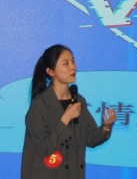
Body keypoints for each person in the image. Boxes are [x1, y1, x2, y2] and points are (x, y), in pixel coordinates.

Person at [21, 44, 116, 179]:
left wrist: (106, 127)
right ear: (51, 71)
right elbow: (44, 148)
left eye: (73, 61)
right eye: (66, 63)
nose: (73, 67)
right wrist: (65, 119)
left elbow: (90, 139)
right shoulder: (39, 105)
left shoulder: (78, 100)